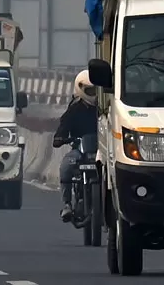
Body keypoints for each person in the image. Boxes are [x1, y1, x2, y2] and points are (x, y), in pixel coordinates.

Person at [52, 69, 99, 222]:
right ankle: (67, 204)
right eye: (91, 90)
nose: (95, 94)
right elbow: (63, 128)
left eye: (97, 90)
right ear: (81, 89)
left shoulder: (106, 109)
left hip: (102, 151)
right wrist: (60, 138)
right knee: (66, 166)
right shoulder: (74, 110)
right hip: (80, 151)